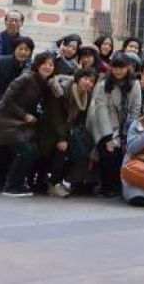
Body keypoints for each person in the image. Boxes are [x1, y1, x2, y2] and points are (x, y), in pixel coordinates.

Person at [0, 51, 56, 197]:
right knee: (25, 151)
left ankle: (18, 183)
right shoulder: (26, 78)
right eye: (44, 64)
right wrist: (24, 115)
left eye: (51, 65)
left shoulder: (43, 82)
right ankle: (10, 186)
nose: (48, 67)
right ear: (37, 65)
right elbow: (7, 100)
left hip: (21, 122)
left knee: (33, 150)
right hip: (5, 119)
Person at [86, 52, 141, 197]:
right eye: (115, 68)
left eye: (121, 68)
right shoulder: (104, 84)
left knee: (123, 152)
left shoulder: (135, 84)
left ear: (128, 67)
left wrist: (130, 132)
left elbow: (136, 109)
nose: (118, 71)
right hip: (104, 124)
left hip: (126, 125)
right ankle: (106, 186)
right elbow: (100, 110)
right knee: (107, 151)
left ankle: (118, 186)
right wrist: (108, 136)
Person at [0, 36, 35, 190]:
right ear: (14, 49)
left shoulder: (28, 68)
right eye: (20, 48)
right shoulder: (0, 61)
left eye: (27, 50)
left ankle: (3, 178)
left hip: (13, 112)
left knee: (8, 146)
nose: (23, 52)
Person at [39, 67, 97, 197]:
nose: (88, 83)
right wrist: (61, 138)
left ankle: (58, 180)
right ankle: (53, 182)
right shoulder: (62, 91)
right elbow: (56, 116)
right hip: (50, 129)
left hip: (68, 129)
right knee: (63, 149)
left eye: (92, 81)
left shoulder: (87, 94)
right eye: (85, 79)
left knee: (82, 152)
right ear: (77, 79)